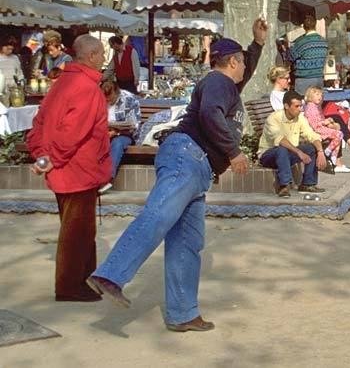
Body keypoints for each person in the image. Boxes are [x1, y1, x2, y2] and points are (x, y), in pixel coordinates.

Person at [87, 20, 267, 333]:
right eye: (242, 63)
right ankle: (111, 274)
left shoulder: (226, 83)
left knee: (187, 243)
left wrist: (258, 44)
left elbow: (243, 73)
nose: (245, 71)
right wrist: (234, 151)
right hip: (188, 156)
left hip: (198, 167)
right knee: (159, 214)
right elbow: (211, 115)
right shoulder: (217, 82)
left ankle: (183, 313)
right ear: (232, 63)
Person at [27, 35, 111, 302]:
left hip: (64, 168)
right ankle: (70, 286)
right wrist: (53, 157)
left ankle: (83, 280)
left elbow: (38, 123)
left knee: (79, 229)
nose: (104, 58)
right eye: (100, 54)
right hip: (78, 170)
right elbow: (73, 132)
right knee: (77, 232)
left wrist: (42, 157)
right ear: (90, 57)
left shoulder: (62, 83)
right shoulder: (87, 88)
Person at [259, 90, 327, 197]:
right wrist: (299, 152)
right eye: (296, 106)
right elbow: (280, 140)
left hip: (289, 153)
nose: (300, 109)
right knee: (282, 148)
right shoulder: (273, 118)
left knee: (311, 148)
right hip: (269, 155)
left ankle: (307, 184)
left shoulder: (300, 118)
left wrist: (320, 151)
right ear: (286, 106)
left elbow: (311, 135)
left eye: (301, 106)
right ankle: (284, 186)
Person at [99, 80, 141, 194]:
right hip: (104, 132)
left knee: (117, 144)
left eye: (110, 100)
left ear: (117, 93)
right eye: (106, 100)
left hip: (124, 134)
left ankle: (107, 179)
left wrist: (116, 132)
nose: (108, 102)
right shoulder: (99, 98)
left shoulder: (129, 99)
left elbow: (135, 126)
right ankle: (92, 178)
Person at [303, 86, 350, 174]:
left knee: (338, 135)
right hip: (317, 129)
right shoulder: (310, 107)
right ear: (310, 96)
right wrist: (324, 122)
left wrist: (327, 122)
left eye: (321, 95)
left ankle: (334, 158)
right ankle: (328, 152)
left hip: (321, 127)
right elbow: (313, 123)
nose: (320, 97)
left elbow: (321, 118)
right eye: (317, 94)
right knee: (339, 134)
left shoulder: (317, 107)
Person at [289, 14, 328, 95]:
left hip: (303, 80)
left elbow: (290, 57)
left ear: (304, 27)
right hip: (318, 78)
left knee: (302, 105)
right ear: (315, 25)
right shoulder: (323, 42)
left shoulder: (301, 42)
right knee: (317, 105)